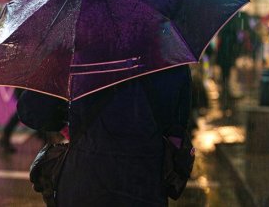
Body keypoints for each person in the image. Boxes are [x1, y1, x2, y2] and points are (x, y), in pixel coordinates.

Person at [17, 65, 192, 206]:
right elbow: (177, 132)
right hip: (145, 186)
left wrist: (66, 125)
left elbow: (32, 108)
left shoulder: (78, 55)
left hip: (83, 184)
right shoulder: (172, 62)